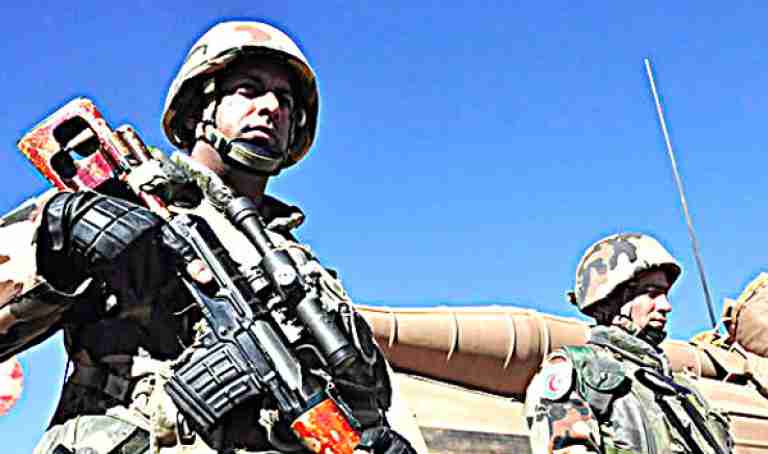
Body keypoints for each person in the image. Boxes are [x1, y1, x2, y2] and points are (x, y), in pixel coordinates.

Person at [0, 21, 425, 454]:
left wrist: (376, 434)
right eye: (249, 90)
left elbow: (360, 397)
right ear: (196, 110)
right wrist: (60, 236)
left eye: (284, 100)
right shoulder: (123, 201)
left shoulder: (301, 266)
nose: (270, 107)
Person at [525, 233, 733, 454]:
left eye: (665, 294)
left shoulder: (683, 391)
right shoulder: (581, 371)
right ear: (613, 299)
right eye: (652, 294)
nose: (666, 306)